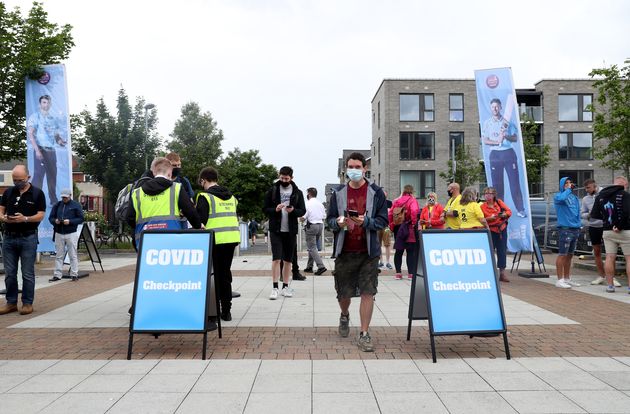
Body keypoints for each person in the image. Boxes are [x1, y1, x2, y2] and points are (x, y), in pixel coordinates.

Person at [327, 152, 388, 352]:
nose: (353, 170)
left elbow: (383, 221)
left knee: (367, 292)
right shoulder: (338, 193)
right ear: (346, 168)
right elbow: (329, 221)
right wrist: (337, 222)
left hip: (369, 252)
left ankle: (364, 333)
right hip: (345, 250)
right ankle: (344, 314)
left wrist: (367, 222)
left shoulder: (376, 192)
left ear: (364, 168)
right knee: (343, 293)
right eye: (350, 167)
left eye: (357, 167)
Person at [0, 165, 46, 315]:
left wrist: (25, 219)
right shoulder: (8, 192)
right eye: (14, 180)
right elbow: (1, 210)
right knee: (10, 273)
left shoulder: (37, 193)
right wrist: (3, 218)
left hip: (28, 237)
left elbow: (41, 214)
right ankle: (11, 302)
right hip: (9, 238)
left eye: (20, 180)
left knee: (27, 272)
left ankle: (27, 303)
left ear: (28, 177)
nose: (17, 182)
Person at [126, 157, 202, 247]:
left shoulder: (137, 193)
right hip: (171, 241)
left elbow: (130, 218)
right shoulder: (176, 188)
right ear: (170, 174)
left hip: (145, 243)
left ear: (154, 173)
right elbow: (190, 212)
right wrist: (198, 225)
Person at [196, 167, 239, 321]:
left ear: (203, 180)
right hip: (231, 238)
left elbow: (200, 220)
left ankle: (213, 311)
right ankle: (226, 311)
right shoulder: (231, 197)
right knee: (225, 273)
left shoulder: (205, 197)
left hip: (214, 239)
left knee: (213, 275)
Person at [263, 166, 306, 300]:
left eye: (286, 178)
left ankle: (286, 286)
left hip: (291, 230)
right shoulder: (272, 190)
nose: (284, 180)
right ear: (279, 176)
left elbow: (302, 210)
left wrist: (293, 210)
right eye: (282, 178)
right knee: (276, 258)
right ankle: (275, 287)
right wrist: (275, 209)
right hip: (276, 229)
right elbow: (264, 209)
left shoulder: (297, 192)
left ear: (291, 178)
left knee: (288, 260)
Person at [481, 98, 526, 218]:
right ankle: (499, 210)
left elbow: (515, 138)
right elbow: (485, 140)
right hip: (495, 154)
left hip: (508, 153)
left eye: (497, 106)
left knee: (514, 183)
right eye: (492, 107)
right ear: (491, 109)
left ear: (500, 107)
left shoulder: (508, 122)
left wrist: (506, 136)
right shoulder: (487, 123)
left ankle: (520, 209)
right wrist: (496, 142)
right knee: (497, 185)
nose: (495, 109)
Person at [590, 176, 630, 293]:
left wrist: (608, 220)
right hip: (625, 231)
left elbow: (595, 215)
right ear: (624, 184)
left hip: (607, 231)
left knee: (609, 257)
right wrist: (619, 225)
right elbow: (627, 212)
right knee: (629, 258)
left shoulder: (601, 196)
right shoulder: (624, 195)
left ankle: (610, 286)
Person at [28, 95, 64, 205]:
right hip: (40, 149)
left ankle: (53, 199)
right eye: (44, 102)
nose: (46, 105)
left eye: (48, 103)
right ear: (40, 104)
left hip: (51, 150)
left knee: (52, 175)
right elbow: (31, 134)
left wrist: (60, 141)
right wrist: (37, 151)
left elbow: (56, 135)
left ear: (50, 104)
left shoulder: (53, 119)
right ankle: (32, 199)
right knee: (38, 175)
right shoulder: (35, 117)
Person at [581, 179, 617, 286]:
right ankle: (601, 276)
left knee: (610, 253)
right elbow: (582, 213)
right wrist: (588, 215)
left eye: (588, 188)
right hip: (593, 226)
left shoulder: (605, 194)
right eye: (585, 188)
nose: (587, 190)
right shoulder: (585, 199)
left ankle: (612, 277)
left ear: (595, 186)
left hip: (606, 226)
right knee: (597, 252)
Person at [48, 189, 84, 282]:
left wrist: (70, 221)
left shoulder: (76, 205)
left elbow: (81, 218)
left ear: (70, 196)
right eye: (63, 197)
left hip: (71, 233)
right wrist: (55, 221)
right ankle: (57, 275)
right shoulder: (57, 205)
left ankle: (74, 274)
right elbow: (51, 217)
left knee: (73, 255)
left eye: (66, 197)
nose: (64, 199)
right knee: (59, 255)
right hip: (59, 232)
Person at [553, 177, 582, 289]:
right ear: (562, 185)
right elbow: (561, 198)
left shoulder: (574, 197)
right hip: (565, 229)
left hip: (575, 228)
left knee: (570, 255)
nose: (569, 184)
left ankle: (567, 278)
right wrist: (568, 189)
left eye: (570, 182)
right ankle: (559, 280)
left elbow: (577, 212)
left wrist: (579, 224)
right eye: (566, 183)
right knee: (562, 254)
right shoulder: (558, 196)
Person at [480, 187, 512, 282]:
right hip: (490, 230)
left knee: (502, 251)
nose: (487, 196)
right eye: (485, 194)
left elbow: (509, 212)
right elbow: (481, 219)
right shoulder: (482, 206)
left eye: (489, 194)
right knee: (489, 251)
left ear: (494, 195)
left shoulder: (499, 202)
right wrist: (490, 218)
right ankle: (489, 273)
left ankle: (502, 273)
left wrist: (504, 215)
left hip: (501, 229)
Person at [388, 185, 419, 280]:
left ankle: (398, 273)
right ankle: (410, 274)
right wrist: (414, 223)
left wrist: (392, 225)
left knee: (399, 251)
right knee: (410, 251)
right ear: (412, 191)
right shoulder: (412, 200)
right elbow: (414, 211)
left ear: (403, 191)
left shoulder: (397, 201)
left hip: (398, 228)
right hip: (409, 227)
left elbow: (390, 213)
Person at [302, 187, 327, 275]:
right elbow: (324, 216)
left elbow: (303, 216)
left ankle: (321, 266)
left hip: (311, 226)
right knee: (312, 247)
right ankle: (309, 266)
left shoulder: (307, 203)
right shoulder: (320, 204)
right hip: (320, 225)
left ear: (308, 194)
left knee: (312, 247)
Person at [378, 191, 393, 270]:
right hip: (377, 226)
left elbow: (392, 214)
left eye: (385, 194)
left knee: (387, 244)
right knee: (378, 244)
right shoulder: (376, 203)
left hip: (386, 226)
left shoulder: (389, 203)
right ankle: (381, 261)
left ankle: (387, 262)